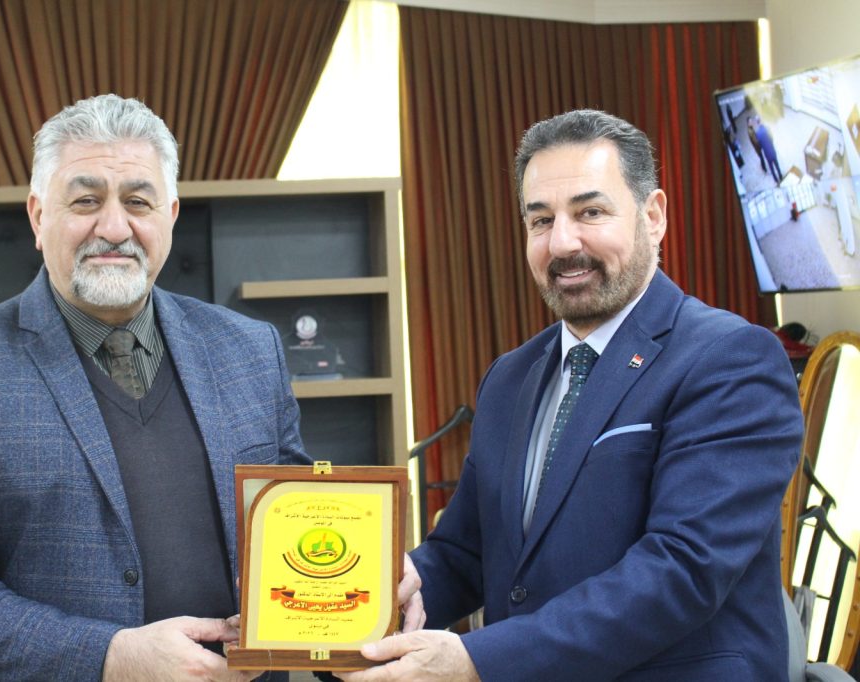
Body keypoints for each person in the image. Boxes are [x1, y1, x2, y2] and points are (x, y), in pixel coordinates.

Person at [0, 94, 427, 682]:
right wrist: (109, 656)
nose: (114, 227)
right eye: (86, 200)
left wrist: (368, 586)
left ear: (170, 215)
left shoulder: (250, 350)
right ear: (39, 216)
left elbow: (293, 518)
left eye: (138, 202)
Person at [341, 110, 803, 681]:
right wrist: (367, 604)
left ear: (653, 216)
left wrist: (477, 660)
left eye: (590, 212)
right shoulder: (510, 377)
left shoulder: (731, 359)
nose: (562, 243)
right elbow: (467, 552)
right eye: (541, 220)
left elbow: (682, 569)